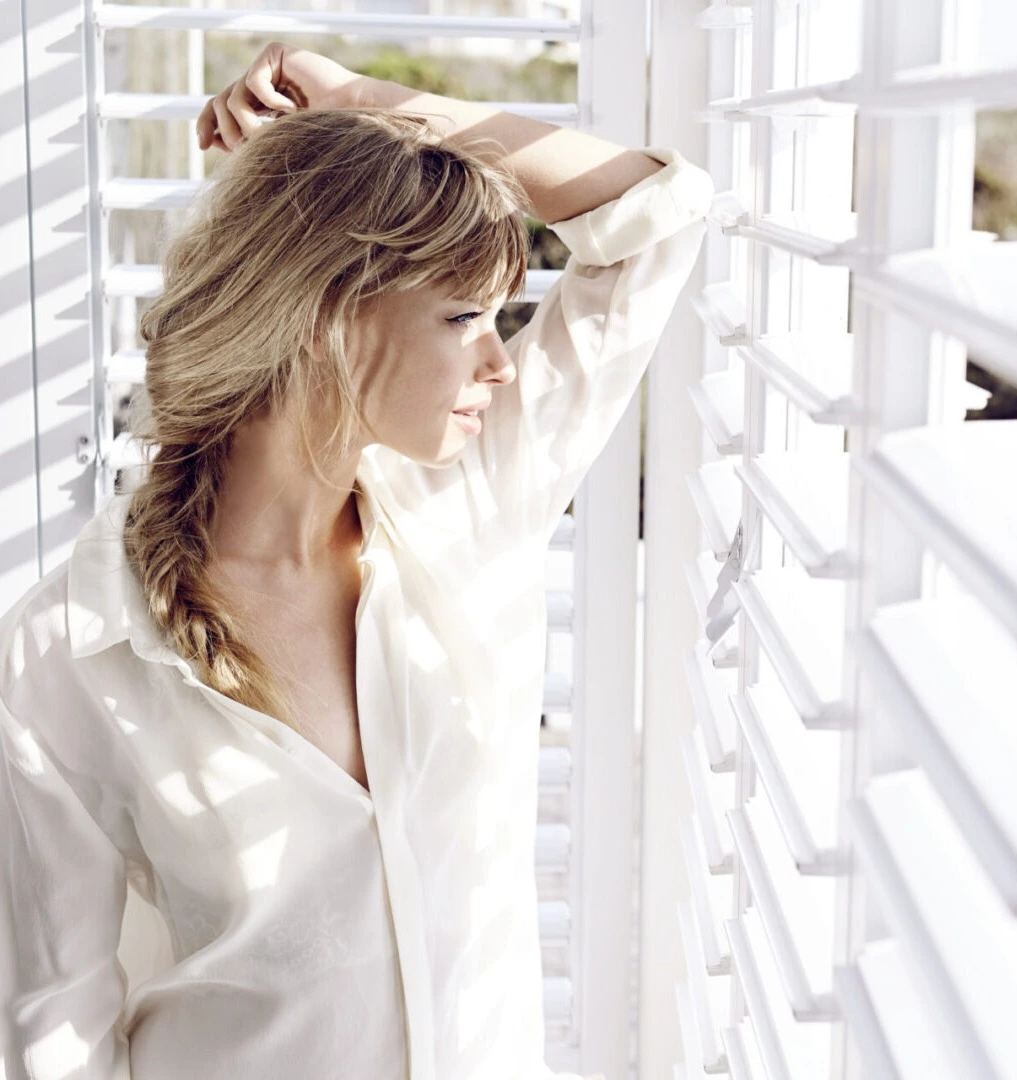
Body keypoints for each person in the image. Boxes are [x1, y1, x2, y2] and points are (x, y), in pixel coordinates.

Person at [0, 42, 713, 1079]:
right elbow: (52, 1035)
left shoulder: (473, 494)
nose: (500, 359)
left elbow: (660, 216)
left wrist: (371, 110)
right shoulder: (68, 650)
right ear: (327, 318)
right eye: (465, 316)